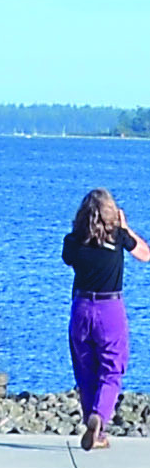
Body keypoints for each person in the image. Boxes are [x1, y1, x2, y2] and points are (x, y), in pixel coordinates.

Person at [62, 188, 149, 451]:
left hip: (81, 307)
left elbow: (69, 259)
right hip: (110, 308)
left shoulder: (73, 241)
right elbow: (145, 253)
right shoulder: (119, 236)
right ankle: (99, 416)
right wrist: (126, 228)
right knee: (112, 369)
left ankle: (96, 431)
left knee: (86, 370)